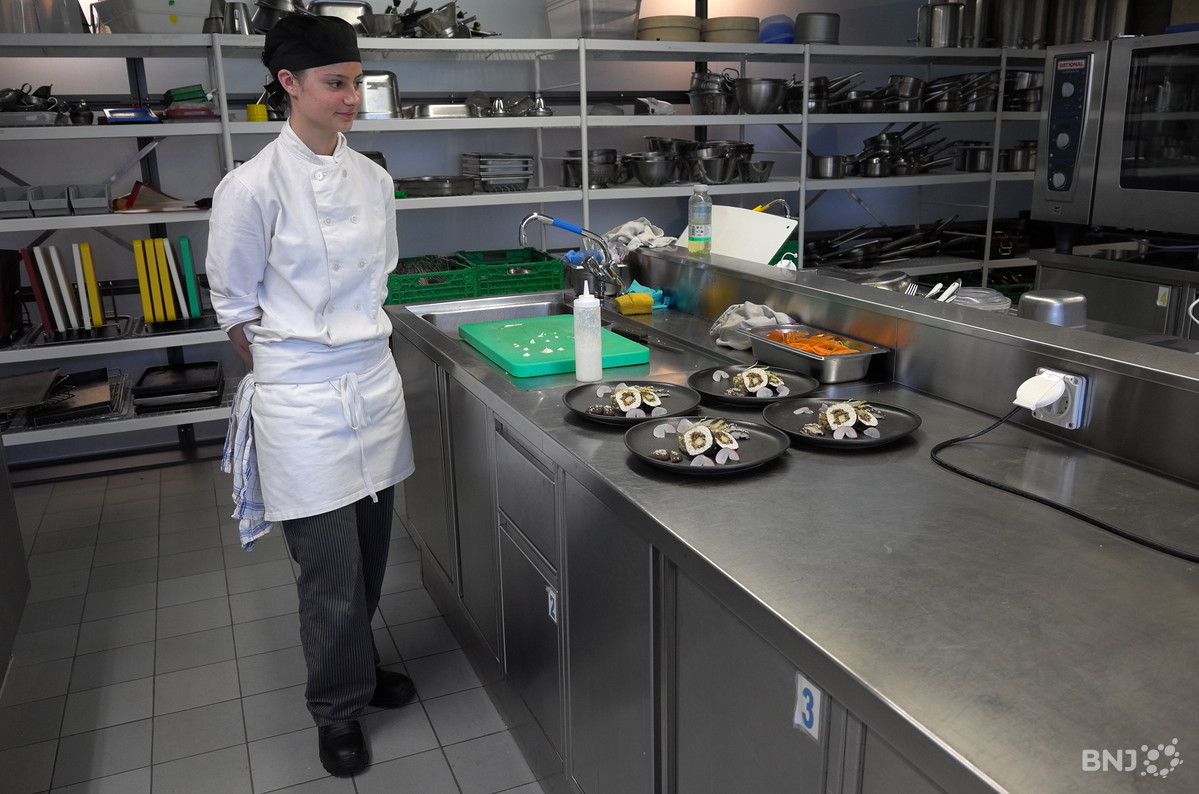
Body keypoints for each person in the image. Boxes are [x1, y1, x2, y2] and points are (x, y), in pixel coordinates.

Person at [205, 14, 416, 778]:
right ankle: (336, 708)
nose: (351, 97)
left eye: (356, 81)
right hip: (301, 402)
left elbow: (379, 276)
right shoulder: (250, 187)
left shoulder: (375, 180)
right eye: (335, 83)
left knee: (369, 557)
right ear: (289, 84)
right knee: (327, 571)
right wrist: (296, 367)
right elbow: (236, 309)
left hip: (372, 386)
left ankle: (353, 663)